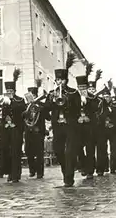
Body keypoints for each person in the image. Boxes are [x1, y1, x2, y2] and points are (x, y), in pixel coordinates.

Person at [45, 52, 82, 187]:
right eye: (58, 80)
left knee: (69, 152)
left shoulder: (73, 93)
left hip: (70, 126)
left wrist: (67, 104)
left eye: (62, 80)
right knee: (58, 150)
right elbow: (46, 108)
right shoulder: (52, 94)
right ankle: (65, 171)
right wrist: (53, 101)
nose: (59, 82)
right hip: (57, 126)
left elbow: (78, 110)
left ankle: (69, 178)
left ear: (66, 80)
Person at [0, 68, 27, 182]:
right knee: (7, 151)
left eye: (11, 91)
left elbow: (22, 112)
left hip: (16, 130)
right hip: (6, 130)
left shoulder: (20, 100)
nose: (9, 93)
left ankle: (16, 174)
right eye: (7, 91)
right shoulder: (4, 101)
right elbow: (1, 114)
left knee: (16, 152)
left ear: (14, 91)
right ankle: (9, 172)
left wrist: (12, 102)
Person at [24, 80, 49, 179]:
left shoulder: (41, 105)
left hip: (39, 132)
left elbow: (48, 117)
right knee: (28, 152)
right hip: (28, 132)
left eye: (34, 96)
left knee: (39, 153)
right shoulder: (26, 106)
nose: (32, 98)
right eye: (30, 96)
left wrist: (42, 110)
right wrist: (25, 112)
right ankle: (32, 170)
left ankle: (40, 172)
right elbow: (22, 117)